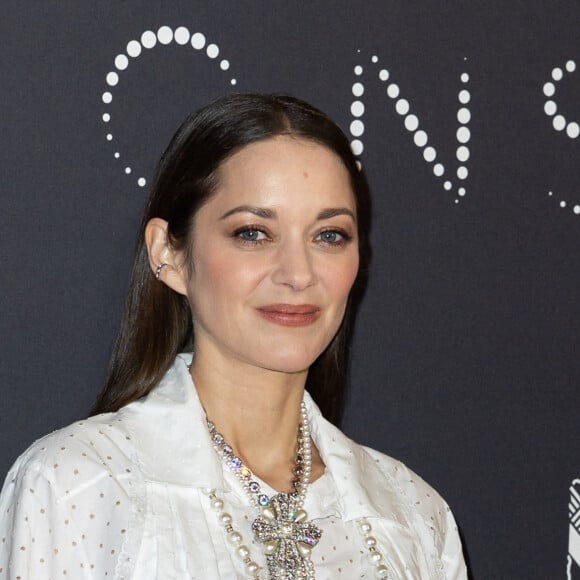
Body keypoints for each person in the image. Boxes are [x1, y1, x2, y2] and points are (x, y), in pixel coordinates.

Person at [0, 93, 467, 579]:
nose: (298, 274)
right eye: (253, 233)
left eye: (328, 235)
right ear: (169, 254)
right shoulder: (79, 483)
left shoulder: (413, 516)